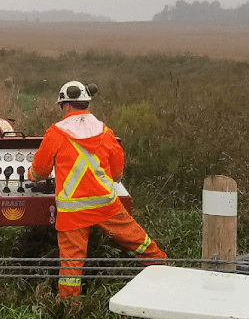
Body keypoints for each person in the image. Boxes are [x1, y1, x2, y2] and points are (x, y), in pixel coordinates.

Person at [27, 81, 166, 298]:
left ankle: (70, 310)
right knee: (140, 241)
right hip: (105, 206)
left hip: (73, 214)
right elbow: (117, 174)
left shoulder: (55, 133)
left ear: (65, 105)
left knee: (71, 268)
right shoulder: (105, 132)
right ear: (86, 104)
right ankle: (167, 272)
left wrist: (31, 176)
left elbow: (40, 171)